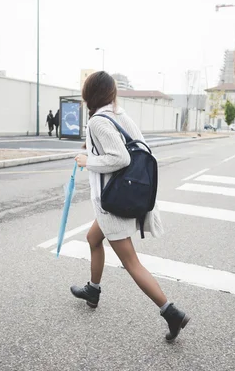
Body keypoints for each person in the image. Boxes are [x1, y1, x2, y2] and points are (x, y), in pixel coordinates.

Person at [72, 71, 190, 341]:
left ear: (90, 94)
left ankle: (171, 312)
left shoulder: (98, 122)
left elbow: (121, 158)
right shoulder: (119, 115)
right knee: (92, 239)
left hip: (112, 204)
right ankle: (93, 290)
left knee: (131, 263)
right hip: (123, 197)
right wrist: (93, 149)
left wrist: (86, 160)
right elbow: (136, 147)